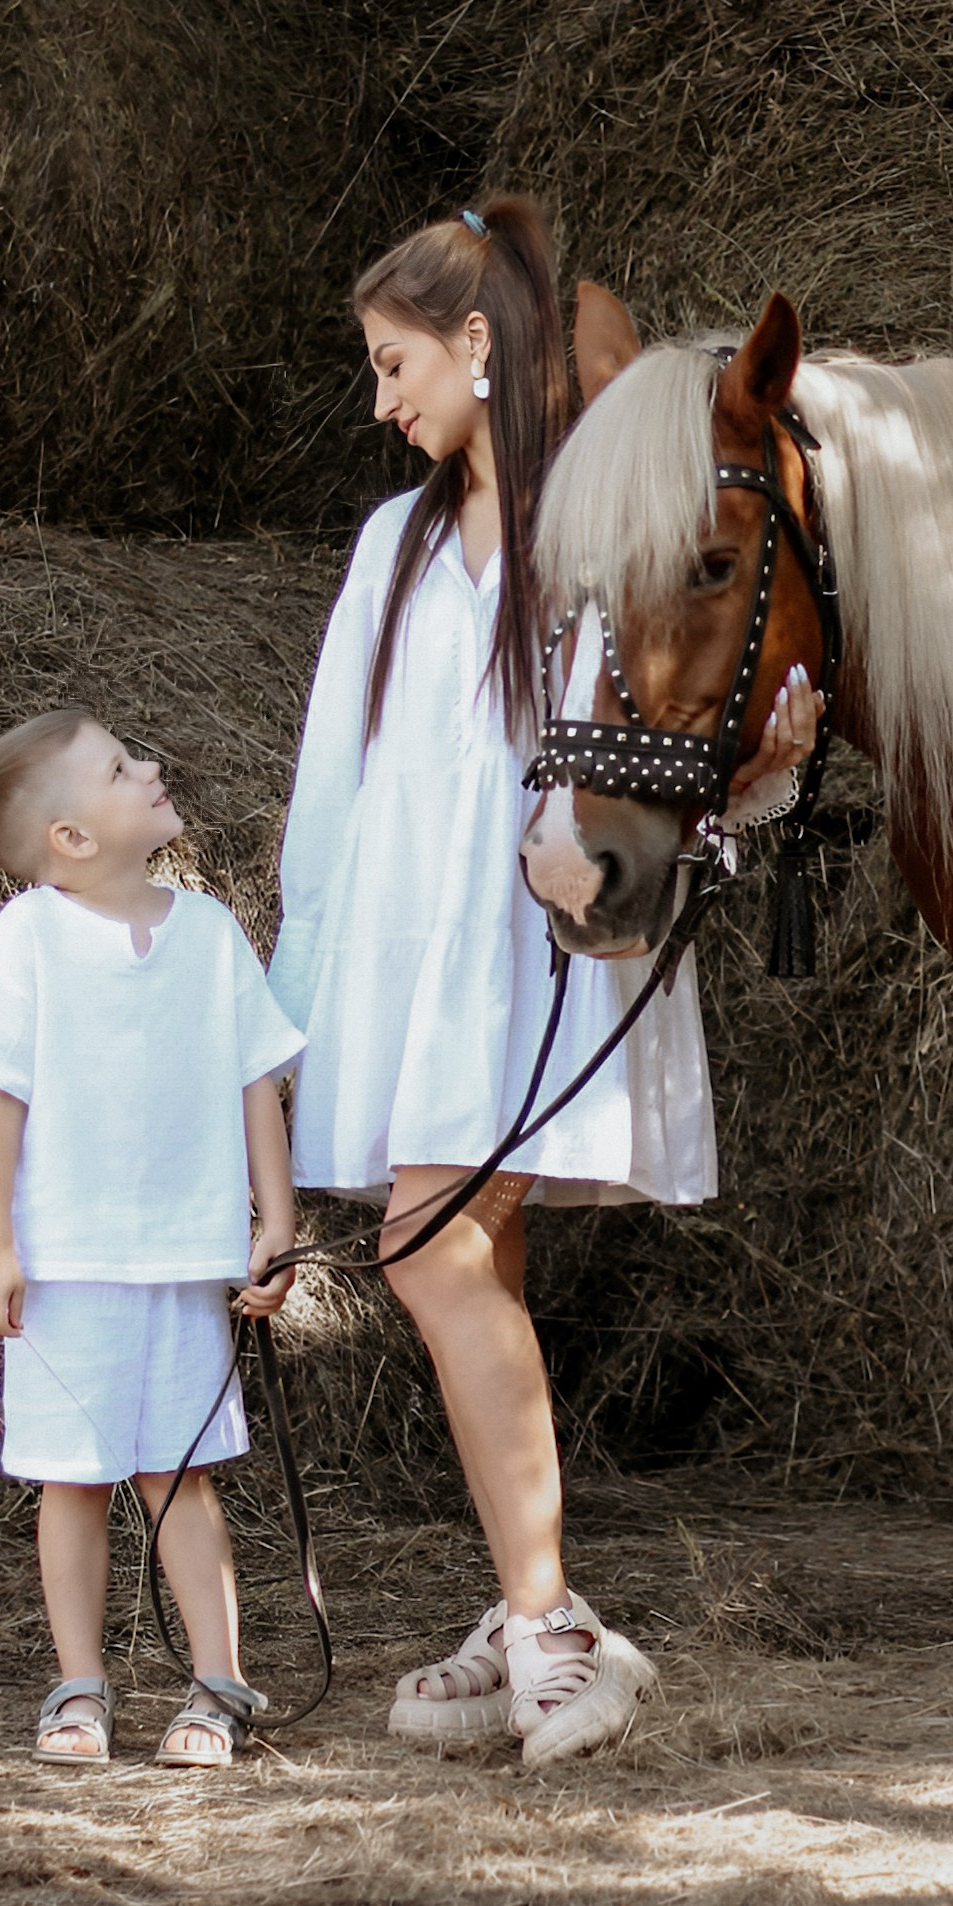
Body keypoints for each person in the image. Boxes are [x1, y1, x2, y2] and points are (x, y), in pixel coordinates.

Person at [271, 200, 808, 1771]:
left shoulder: (597, 531)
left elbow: (664, 742)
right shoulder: (396, 544)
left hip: (531, 950)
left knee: (429, 1251)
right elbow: (330, 789)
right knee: (461, 1258)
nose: (380, 403)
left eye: (393, 363)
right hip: (411, 953)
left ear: (478, 344)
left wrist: (755, 774)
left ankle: (549, 1612)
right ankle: (529, 1609)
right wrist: (307, 1002)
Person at [0, 709, 305, 1769]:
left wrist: (274, 1220)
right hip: (68, 1270)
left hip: (182, 1262)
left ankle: (219, 1684)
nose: (149, 767)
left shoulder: (210, 933)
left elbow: (255, 1084)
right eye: (118, 766)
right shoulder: (30, 943)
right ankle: (79, 1688)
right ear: (71, 839)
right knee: (74, 1481)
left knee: (181, 1478)